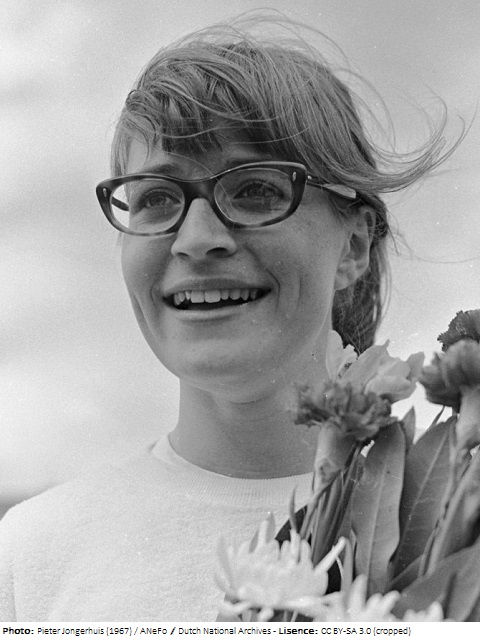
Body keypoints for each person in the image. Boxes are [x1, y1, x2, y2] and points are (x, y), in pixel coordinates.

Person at [0, 14, 457, 622]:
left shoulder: (456, 527)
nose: (196, 239)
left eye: (255, 190)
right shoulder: (30, 556)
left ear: (354, 245)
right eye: (156, 198)